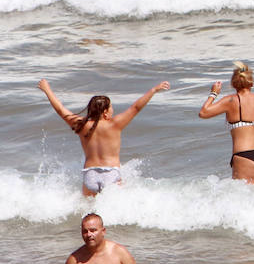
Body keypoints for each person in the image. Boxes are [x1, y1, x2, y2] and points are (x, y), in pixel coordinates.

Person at [38, 78, 171, 196]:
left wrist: (47, 89)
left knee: (89, 212)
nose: (113, 109)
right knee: (114, 212)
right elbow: (135, 107)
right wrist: (153, 90)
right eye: (111, 107)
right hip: (112, 173)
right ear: (106, 112)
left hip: (90, 174)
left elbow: (61, 110)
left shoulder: (81, 125)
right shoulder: (115, 124)